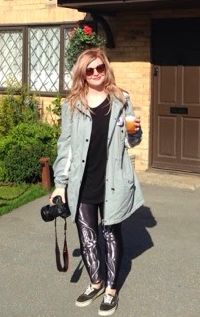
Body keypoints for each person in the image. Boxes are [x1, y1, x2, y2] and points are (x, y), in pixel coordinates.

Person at [50, 48, 144, 316]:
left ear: (106, 69)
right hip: (82, 180)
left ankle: (111, 289)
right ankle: (96, 282)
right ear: (82, 73)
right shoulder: (72, 104)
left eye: (99, 68)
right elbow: (66, 146)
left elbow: (132, 141)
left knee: (111, 234)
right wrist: (60, 184)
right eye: (89, 70)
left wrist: (135, 132)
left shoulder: (121, 99)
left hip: (113, 179)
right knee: (87, 236)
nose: (95, 73)